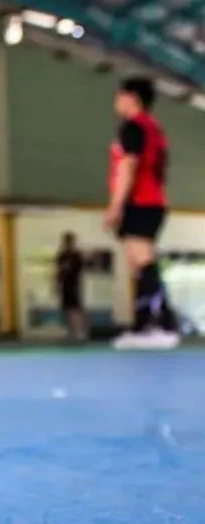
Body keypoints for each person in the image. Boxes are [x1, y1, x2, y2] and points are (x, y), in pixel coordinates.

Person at [104, 76, 179, 350]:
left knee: (142, 260)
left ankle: (158, 324)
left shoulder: (133, 128)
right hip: (154, 201)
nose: (116, 101)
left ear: (131, 98)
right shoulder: (155, 129)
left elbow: (128, 167)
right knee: (139, 263)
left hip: (140, 201)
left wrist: (115, 205)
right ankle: (151, 322)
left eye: (119, 96)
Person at [55, 231, 86, 341]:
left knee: (76, 308)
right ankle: (70, 331)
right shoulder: (62, 255)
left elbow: (80, 270)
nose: (68, 243)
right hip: (65, 285)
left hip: (74, 285)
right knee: (66, 309)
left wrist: (69, 269)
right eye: (66, 241)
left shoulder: (77, 255)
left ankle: (80, 331)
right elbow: (58, 271)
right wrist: (57, 284)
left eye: (70, 241)